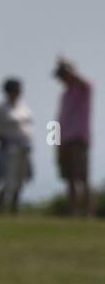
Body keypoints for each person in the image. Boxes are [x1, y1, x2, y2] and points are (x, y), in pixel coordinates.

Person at [53, 58, 93, 217]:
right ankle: (73, 212)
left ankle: (88, 212)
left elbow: (83, 82)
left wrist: (67, 66)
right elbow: (58, 120)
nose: (62, 78)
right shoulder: (63, 95)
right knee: (69, 179)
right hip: (64, 142)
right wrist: (55, 143)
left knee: (82, 178)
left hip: (78, 140)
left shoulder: (84, 89)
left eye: (63, 74)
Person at [0, 78, 33, 214]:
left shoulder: (24, 108)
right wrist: (4, 142)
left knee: (20, 179)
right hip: (9, 147)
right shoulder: (1, 109)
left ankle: (15, 208)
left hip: (24, 146)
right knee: (7, 180)